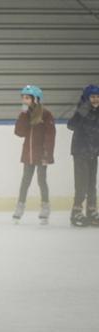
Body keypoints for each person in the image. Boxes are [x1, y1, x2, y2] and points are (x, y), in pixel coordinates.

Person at [13, 85, 56, 225]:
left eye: (27, 98)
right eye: (23, 98)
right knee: (25, 181)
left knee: (41, 181)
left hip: (41, 154)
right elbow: (19, 132)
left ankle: (45, 208)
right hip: (28, 154)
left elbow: (50, 136)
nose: (24, 100)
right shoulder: (25, 114)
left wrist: (47, 154)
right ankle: (20, 207)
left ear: (35, 99)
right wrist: (23, 115)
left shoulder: (46, 114)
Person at [67, 84, 99, 227]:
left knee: (92, 184)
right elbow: (71, 125)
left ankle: (91, 210)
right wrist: (84, 110)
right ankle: (76, 212)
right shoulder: (81, 110)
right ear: (86, 98)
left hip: (93, 152)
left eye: (97, 96)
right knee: (81, 184)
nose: (95, 99)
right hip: (80, 152)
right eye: (92, 97)